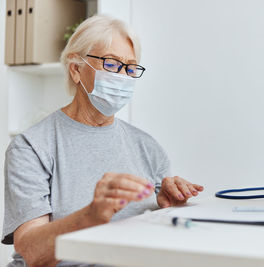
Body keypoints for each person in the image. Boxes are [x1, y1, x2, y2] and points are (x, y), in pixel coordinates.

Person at [1, 14, 203, 267]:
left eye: (130, 68)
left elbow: (155, 243)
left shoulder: (148, 147)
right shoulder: (31, 147)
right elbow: (32, 251)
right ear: (76, 69)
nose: (123, 76)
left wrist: (168, 210)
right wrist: (92, 215)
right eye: (111, 64)